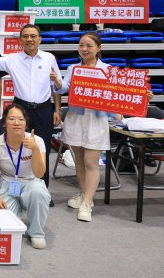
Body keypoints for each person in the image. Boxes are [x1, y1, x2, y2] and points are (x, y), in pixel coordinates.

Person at [0, 24, 61, 199]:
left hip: (44, 109)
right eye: (25, 36)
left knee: (43, 148)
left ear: (39, 39)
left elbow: (55, 85)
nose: (29, 39)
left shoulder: (49, 58)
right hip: (21, 110)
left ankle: (42, 190)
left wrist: (57, 109)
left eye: (33, 36)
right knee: (16, 146)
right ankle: (15, 185)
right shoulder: (12, 59)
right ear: (20, 40)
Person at [52, 32, 114, 221]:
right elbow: (64, 88)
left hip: (96, 120)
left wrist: (142, 95)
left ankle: (87, 203)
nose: (84, 49)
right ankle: (84, 194)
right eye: (81, 45)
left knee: (91, 162)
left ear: (99, 48)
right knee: (79, 161)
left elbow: (117, 93)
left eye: (89, 46)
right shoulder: (73, 68)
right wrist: (57, 81)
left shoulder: (108, 70)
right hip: (76, 118)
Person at [0, 104, 50, 249]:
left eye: (21, 119)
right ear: (4, 123)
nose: (16, 123)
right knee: (8, 228)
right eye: (11, 119)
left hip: (31, 181)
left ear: (26, 123)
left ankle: (36, 232)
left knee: (38, 192)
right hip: (7, 181)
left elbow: (39, 173)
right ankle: (16, 217)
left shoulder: (37, 141)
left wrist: (35, 149)